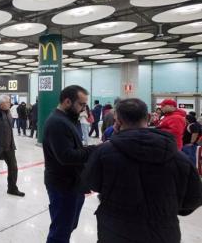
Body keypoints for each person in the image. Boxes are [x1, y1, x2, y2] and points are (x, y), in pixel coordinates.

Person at [83, 98, 202, 243]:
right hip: (163, 233)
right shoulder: (179, 158)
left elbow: (90, 183)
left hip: (115, 232)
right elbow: (193, 198)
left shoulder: (103, 152)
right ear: (147, 118)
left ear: (118, 122)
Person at [42, 85, 95, 243]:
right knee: (60, 231)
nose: (84, 108)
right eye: (81, 104)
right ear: (67, 101)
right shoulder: (57, 122)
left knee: (67, 226)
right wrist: (95, 150)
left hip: (73, 184)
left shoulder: (68, 120)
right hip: (63, 186)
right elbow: (66, 156)